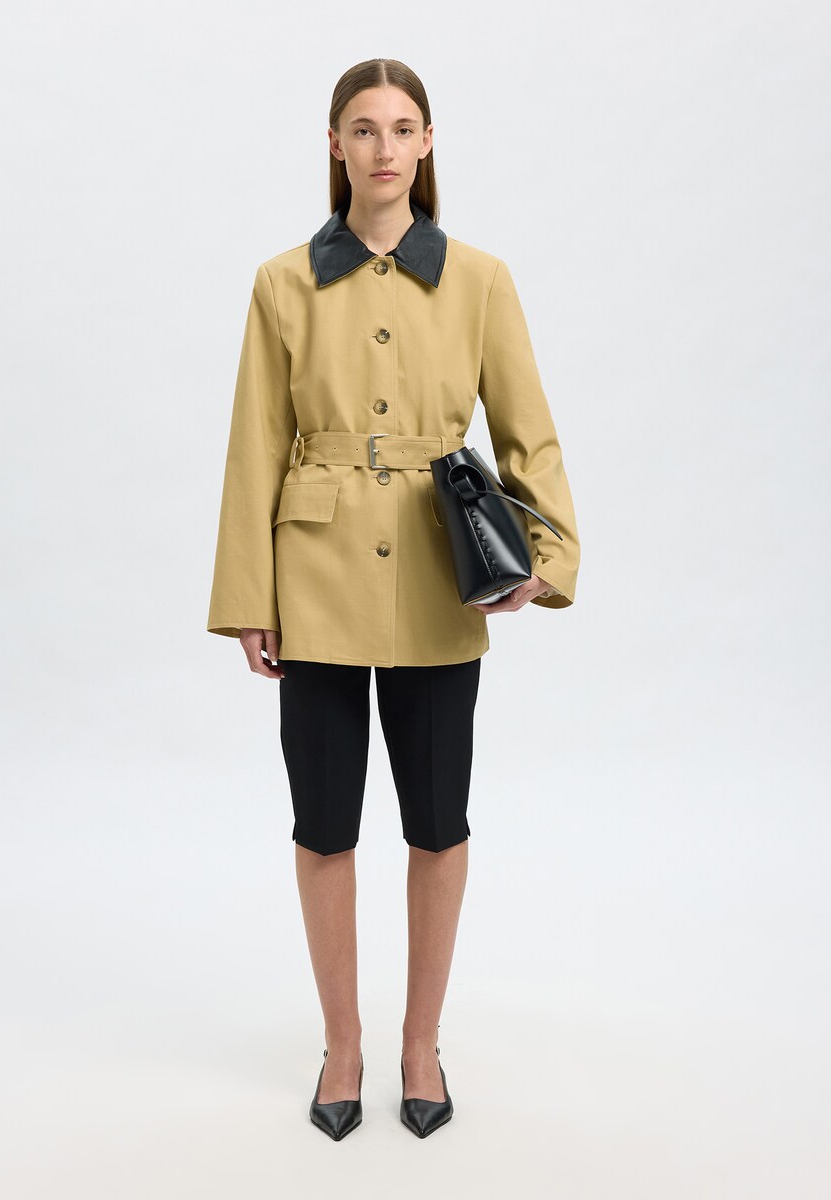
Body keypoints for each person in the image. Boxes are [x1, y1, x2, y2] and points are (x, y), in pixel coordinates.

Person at [206, 57, 580, 1141]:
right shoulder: (282, 283)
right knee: (324, 823)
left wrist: (544, 555)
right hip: (314, 578)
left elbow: (529, 431)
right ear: (336, 145)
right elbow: (254, 446)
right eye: (362, 128)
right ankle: (344, 1043)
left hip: (433, 579)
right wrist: (249, 595)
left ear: (427, 142)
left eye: (402, 126)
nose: (383, 146)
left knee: (436, 820)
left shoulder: (480, 280)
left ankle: (420, 1042)